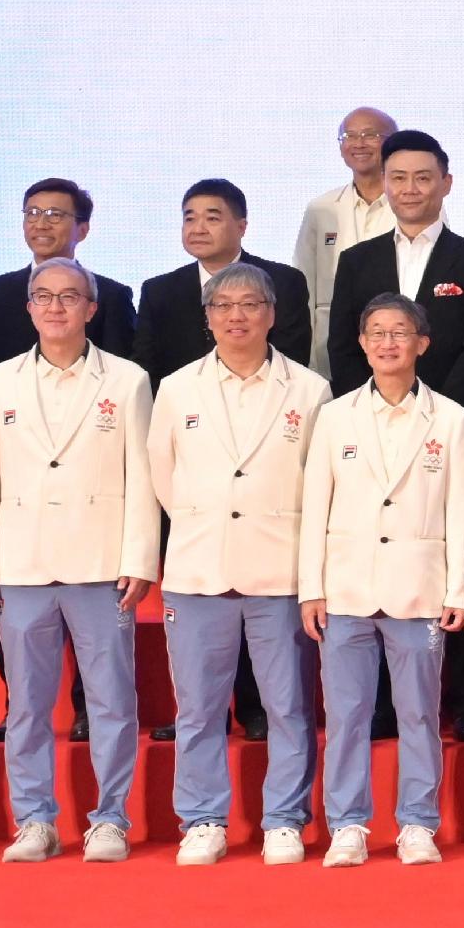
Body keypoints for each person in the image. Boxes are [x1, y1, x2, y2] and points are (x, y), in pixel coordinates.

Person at [0, 258, 159, 863]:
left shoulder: (126, 380)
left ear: (91, 309)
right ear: (28, 308)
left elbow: (143, 476)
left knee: (110, 700)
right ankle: (35, 820)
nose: (55, 307)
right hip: (22, 563)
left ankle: (110, 819)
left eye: (69, 297)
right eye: (43, 297)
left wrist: (139, 557)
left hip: (101, 562)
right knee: (27, 702)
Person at [143, 266, 328, 864]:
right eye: (224, 305)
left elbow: (319, 482)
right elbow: (162, 474)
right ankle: (202, 819)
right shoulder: (176, 388)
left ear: (272, 314)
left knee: (288, 706)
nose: (237, 316)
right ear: (208, 316)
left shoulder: (309, 390)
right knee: (197, 707)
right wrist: (210, 515)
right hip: (200, 566)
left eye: (250, 304)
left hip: (281, 569)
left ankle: (284, 819)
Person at [292, 292, 464, 868]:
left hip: (419, 588)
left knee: (420, 711)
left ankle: (418, 822)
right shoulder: (336, 415)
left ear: (422, 343)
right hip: (345, 586)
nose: (388, 342)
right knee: (346, 713)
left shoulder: (451, 417)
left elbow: (461, 508)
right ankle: (348, 822)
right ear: (363, 343)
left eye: (400, 333)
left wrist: (457, 589)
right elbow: (314, 504)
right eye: (377, 332)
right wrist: (311, 587)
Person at [325, 132, 464, 417]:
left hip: (452, 422)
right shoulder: (355, 261)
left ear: (446, 184)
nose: (409, 189)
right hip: (369, 421)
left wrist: (437, 414)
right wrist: (372, 409)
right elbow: (342, 346)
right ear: (384, 183)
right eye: (398, 178)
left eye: (422, 178)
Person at [136, 179, 312, 379]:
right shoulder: (158, 291)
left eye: (212, 219)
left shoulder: (284, 281)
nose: (198, 229)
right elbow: (146, 367)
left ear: (241, 227)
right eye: (189, 219)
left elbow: (293, 360)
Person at [0, 178, 139, 368]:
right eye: (32, 213)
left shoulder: (112, 296)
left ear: (82, 230)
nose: (41, 224)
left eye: (54, 215)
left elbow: (122, 375)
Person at [294, 107, 400, 382]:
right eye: (349, 136)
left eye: (370, 134)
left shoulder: (412, 204)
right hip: (332, 345)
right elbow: (304, 280)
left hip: (396, 342)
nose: (359, 143)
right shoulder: (321, 209)